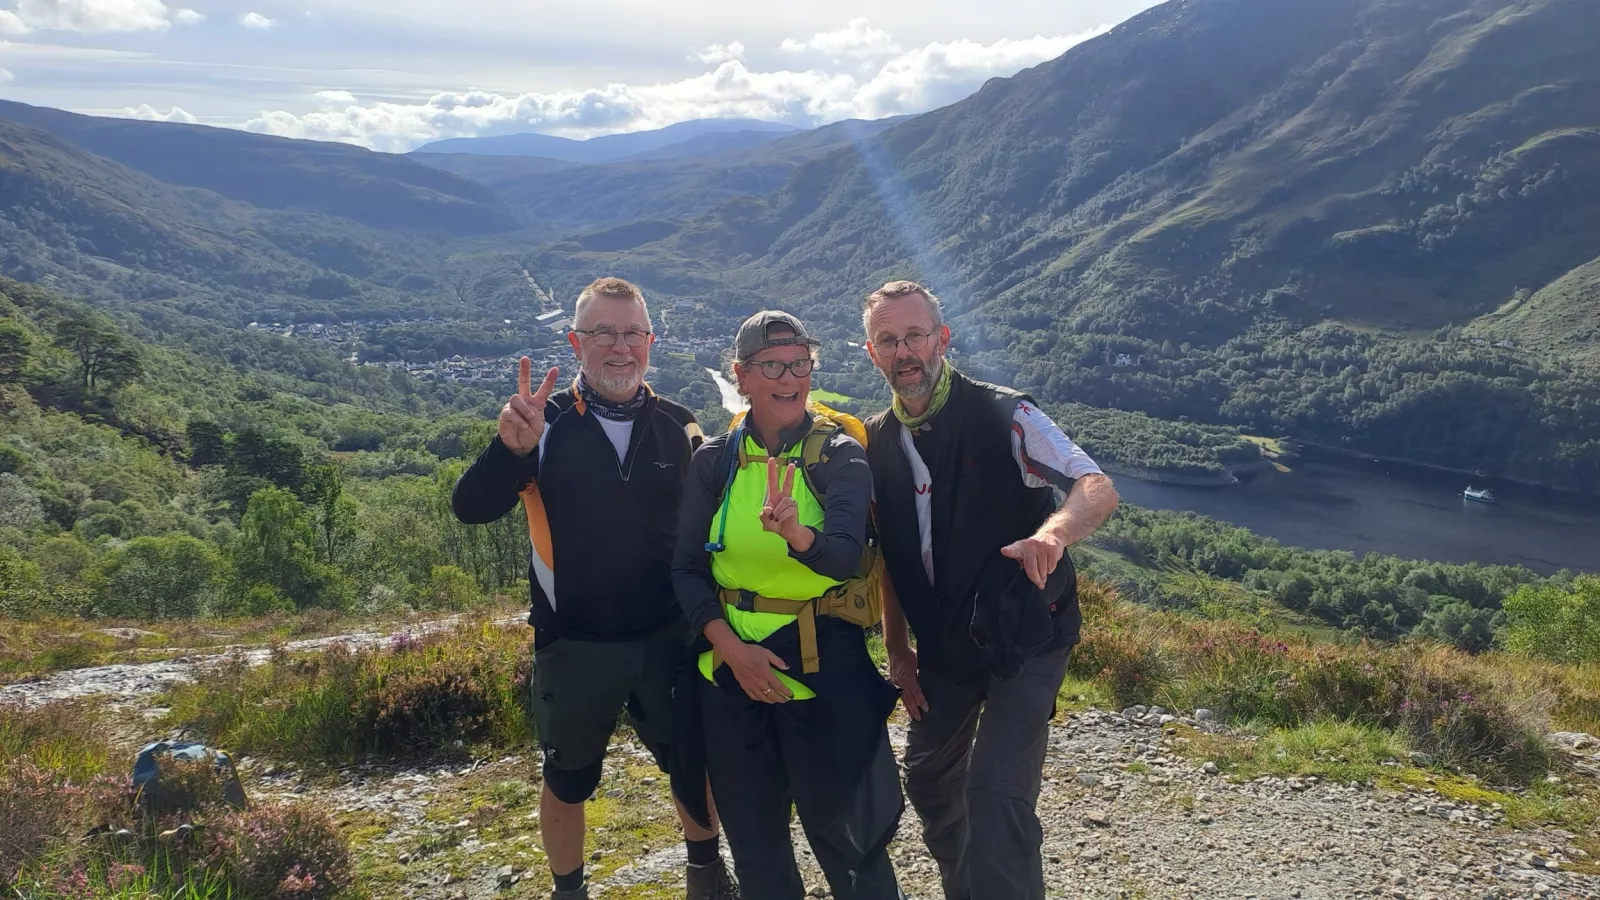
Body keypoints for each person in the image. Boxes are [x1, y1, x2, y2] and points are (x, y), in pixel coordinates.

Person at [451, 277, 739, 900]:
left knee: (691, 763)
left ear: (651, 342)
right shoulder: (544, 424)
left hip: (668, 636)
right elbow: (471, 508)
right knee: (568, 780)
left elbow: (710, 527)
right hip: (574, 643)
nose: (620, 346)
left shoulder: (680, 424)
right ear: (575, 342)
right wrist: (509, 453)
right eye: (603, 332)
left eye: (633, 332)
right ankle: (570, 891)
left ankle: (707, 876)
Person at [859, 281, 1121, 900]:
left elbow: (1094, 486)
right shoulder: (876, 444)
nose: (904, 352)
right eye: (888, 340)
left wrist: (1052, 535)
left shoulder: (1006, 415)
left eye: (916, 336)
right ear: (871, 353)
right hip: (949, 645)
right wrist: (897, 650)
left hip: (1027, 632)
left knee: (996, 794)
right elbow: (891, 556)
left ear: (942, 339)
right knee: (929, 779)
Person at [672, 311, 905, 900]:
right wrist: (732, 650)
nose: (790, 378)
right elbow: (687, 569)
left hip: (822, 662)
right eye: (772, 365)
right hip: (729, 673)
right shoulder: (714, 462)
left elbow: (846, 558)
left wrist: (799, 536)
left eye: (800, 364)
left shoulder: (839, 456)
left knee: (850, 841)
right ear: (742, 375)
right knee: (754, 844)